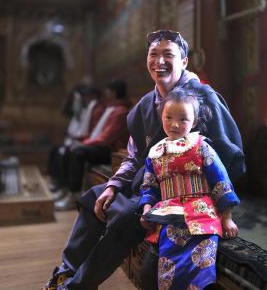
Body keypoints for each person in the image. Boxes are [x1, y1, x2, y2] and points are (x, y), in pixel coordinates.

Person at [42, 30, 245, 290]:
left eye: (168, 55)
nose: (159, 61)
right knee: (95, 197)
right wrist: (114, 185)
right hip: (147, 182)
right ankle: (64, 273)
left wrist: (215, 204)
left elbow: (228, 159)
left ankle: (76, 286)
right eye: (153, 54)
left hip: (185, 194)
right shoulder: (144, 105)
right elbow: (134, 156)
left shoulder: (203, 99)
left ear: (184, 61)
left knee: (127, 216)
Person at [139, 88, 240, 290]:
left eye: (183, 119)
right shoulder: (155, 152)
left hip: (202, 213)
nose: (175, 124)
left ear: (194, 122)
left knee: (200, 264)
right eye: (169, 117)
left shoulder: (202, 146)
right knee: (158, 264)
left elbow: (220, 180)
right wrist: (146, 209)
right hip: (168, 212)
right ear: (162, 117)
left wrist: (227, 217)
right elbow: (149, 185)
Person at [54, 78, 130, 210]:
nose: (105, 94)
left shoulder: (120, 111)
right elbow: (98, 133)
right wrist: (83, 142)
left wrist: (83, 143)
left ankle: (74, 195)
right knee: (71, 150)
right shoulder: (111, 108)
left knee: (78, 152)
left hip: (112, 152)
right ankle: (66, 189)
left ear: (113, 92)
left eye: (108, 91)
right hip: (103, 147)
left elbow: (106, 138)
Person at [47, 85, 104, 198]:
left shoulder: (98, 109)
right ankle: (60, 184)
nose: (83, 100)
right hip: (86, 141)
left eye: (85, 97)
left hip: (97, 145)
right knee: (58, 149)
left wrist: (81, 141)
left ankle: (72, 192)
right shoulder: (85, 110)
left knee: (73, 152)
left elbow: (94, 134)